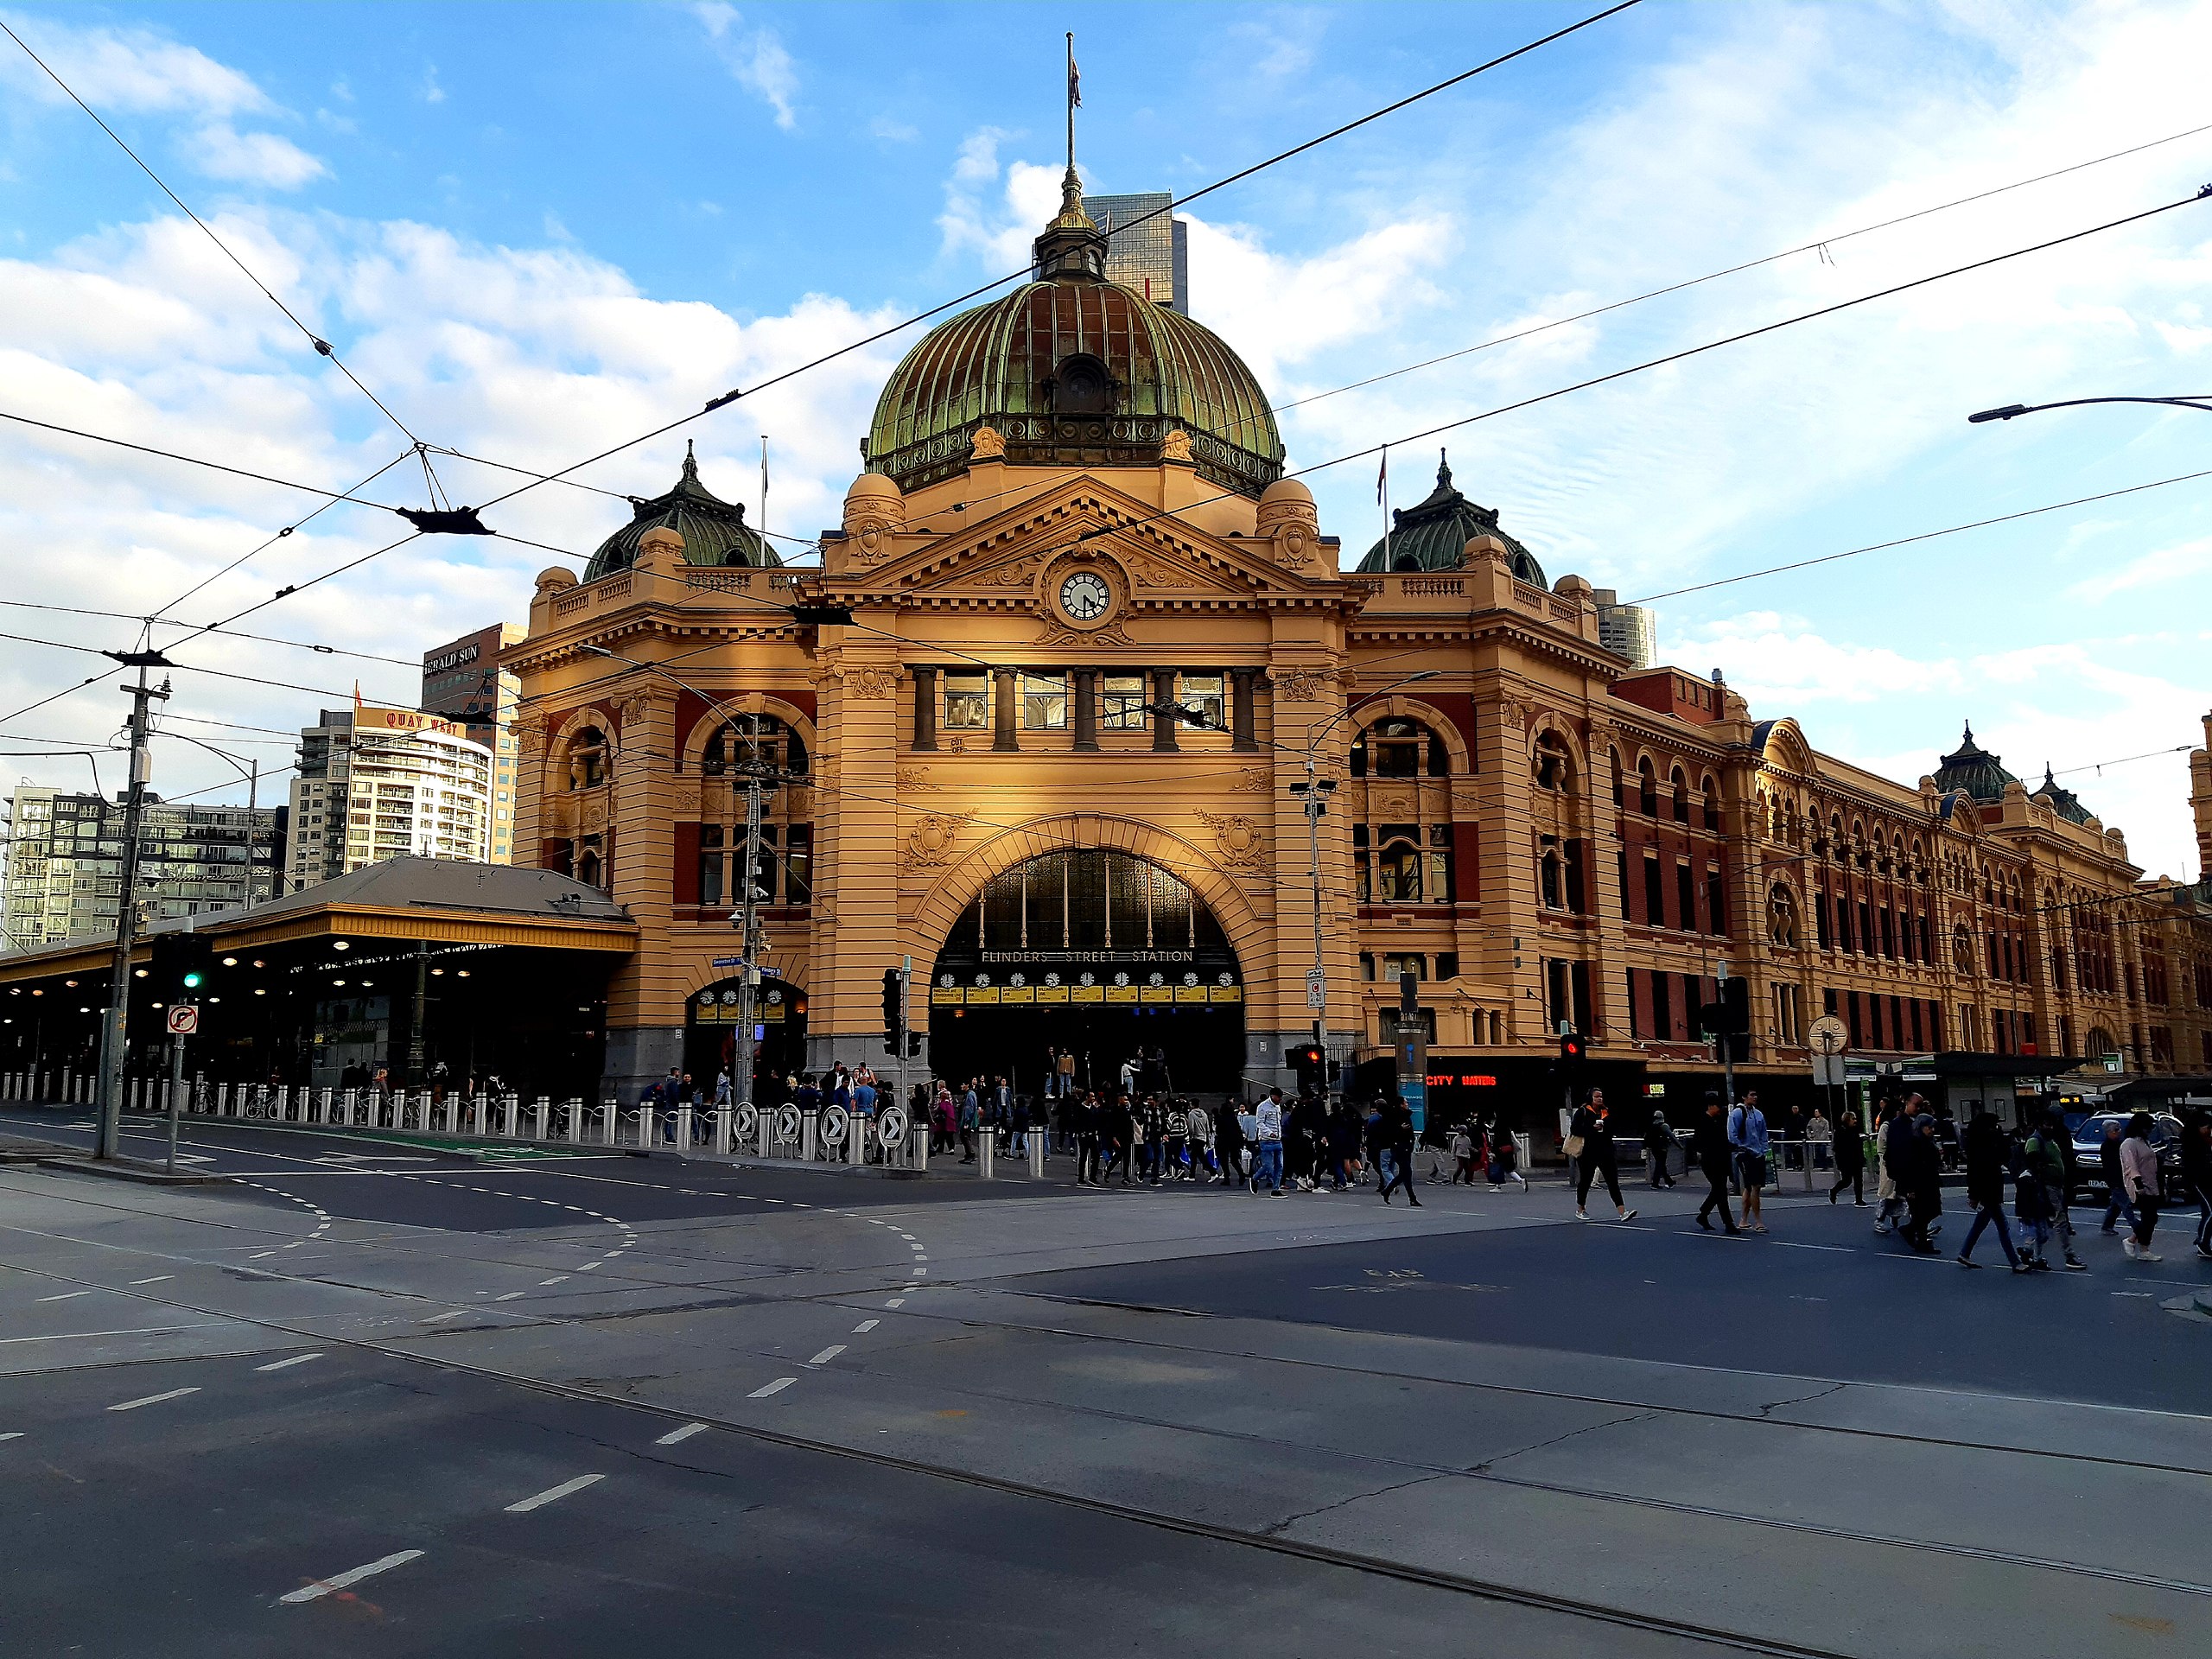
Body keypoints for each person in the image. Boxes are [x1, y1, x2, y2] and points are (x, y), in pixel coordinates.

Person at [1955, 1108, 2024, 1271]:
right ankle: (2015, 1262)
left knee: (1981, 1223)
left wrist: (1973, 1193)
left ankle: (1965, 1252)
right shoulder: (1988, 1143)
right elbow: (2003, 1156)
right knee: (2002, 1225)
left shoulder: (1976, 1144)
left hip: (1986, 1189)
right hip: (1990, 1189)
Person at [2024, 1109, 2084, 1269]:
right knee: (2059, 1221)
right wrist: (2044, 1170)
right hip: (2046, 1186)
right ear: (2039, 1125)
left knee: (2043, 1223)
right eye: (2046, 1125)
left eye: (2051, 1124)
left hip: (2055, 1185)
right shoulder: (2036, 1141)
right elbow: (2032, 1163)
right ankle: (2068, 1255)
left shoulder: (2049, 1140)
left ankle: (2031, 1252)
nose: (2050, 1127)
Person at [1568, 1089, 1636, 1222]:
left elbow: (1613, 1128)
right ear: (1591, 1098)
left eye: (1601, 1096)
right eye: (1597, 1097)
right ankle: (1580, 1209)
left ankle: (1622, 1212)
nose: (1600, 1099)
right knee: (1586, 1181)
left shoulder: (1606, 1112)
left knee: (1612, 1181)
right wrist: (1591, 1128)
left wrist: (1607, 1127)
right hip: (1588, 1151)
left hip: (1606, 1150)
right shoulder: (1583, 1111)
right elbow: (1574, 1129)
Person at [1690, 1093, 1739, 1235]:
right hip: (1711, 1161)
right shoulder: (1702, 1122)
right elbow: (1698, 1143)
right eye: (1718, 1107)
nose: (1720, 1110)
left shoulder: (1718, 1120)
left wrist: (1732, 1147)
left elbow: (1724, 1142)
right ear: (1711, 1106)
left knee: (1719, 1190)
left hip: (1721, 1160)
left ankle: (1703, 1214)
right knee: (1720, 1191)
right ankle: (1728, 1223)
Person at [1895, 1115, 1943, 1255]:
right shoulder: (1914, 1142)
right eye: (1929, 1127)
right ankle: (1917, 1237)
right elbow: (1909, 1166)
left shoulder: (1926, 1141)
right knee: (1923, 1211)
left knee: (1926, 1212)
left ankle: (1919, 1239)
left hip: (1928, 1181)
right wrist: (1909, 1187)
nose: (1932, 1130)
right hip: (1919, 1182)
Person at [2120, 1111, 2164, 1262]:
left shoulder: (2144, 1141)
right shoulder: (2129, 1144)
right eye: (2147, 1127)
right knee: (2149, 1216)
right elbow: (2131, 1166)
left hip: (2151, 1183)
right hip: (2139, 1185)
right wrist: (2138, 1185)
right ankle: (2143, 1248)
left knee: (2151, 1217)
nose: (2149, 1130)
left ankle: (2133, 1241)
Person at [1728, 1090, 1770, 1234]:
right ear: (1744, 1097)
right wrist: (1741, 1148)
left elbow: (1763, 1133)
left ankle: (1744, 1220)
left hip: (1758, 1153)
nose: (1755, 1097)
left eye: (1756, 1095)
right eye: (1752, 1095)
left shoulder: (1758, 1114)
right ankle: (1758, 1221)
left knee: (1749, 1187)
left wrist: (1764, 1149)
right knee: (1755, 1186)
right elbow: (1732, 1134)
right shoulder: (1738, 1113)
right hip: (1746, 1153)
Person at [2096, 1118, 2137, 1237]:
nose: (2118, 1132)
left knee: (2116, 1204)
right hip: (2115, 1179)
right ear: (2108, 1132)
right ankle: (2136, 1226)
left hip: (2123, 1177)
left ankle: (2107, 1226)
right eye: (2115, 1130)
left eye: (2119, 1129)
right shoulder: (2106, 1147)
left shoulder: (2120, 1144)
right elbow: (2111, 1166)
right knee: (2125, 1204)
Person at [1379, 1096, 1421, 1206]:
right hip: (1399, 1148)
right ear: (1401, 1104)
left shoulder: (1405, 1115)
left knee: (1405, 1173)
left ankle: (1388, 1191)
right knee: (1407, 1172)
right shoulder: (1393, 1116)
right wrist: (1399, 1128)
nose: (1407, 1104)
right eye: (1405, 1102)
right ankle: (1411, 1198)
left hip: (1406, 1147)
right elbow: (1388, 1132)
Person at [2181, 1114, 2212, 1261]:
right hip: (2200, 1180)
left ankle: (2202, 1239)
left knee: (2208, 1212)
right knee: (2211, 1212)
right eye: (2207, 1128)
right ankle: (2203, 1243)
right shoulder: (2194, 1143)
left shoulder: (2201, 1141)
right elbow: (2193, 1166)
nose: (2209, 1130)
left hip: (2204, 1180)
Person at [1828, 1105, 1866, 1205]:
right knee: (1847, 1181)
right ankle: (1834, 1191)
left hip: (1856, 1159)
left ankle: (1859, 1199)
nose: (1855, 1121)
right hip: (1846, 1160)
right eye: (1853, 1119)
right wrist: (1840, 1161)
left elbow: (1858, 1146)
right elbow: (1838, 1148)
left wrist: (1862, 1158)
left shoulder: (1855, 1130)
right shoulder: (1840, 1131)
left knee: (1858, 1180)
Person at [1252, 1090, 1286, 1196]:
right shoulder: (1262, 1107)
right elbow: (1260, 1123)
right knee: (1268, 1166)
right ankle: (1255, 1178)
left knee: (1279, 1166)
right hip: (1266, 1140)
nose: (1280, 1100)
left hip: (1278, 1140)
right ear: (1272, 1096)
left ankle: (1275, 1188)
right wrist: (1269, 1133)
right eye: (1278, 1097)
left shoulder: (1278, 1107)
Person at [1486, 1116, 1527, 1192]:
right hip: (1508, 1151)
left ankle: (1497, 1187)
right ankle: (1521, 1180)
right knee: (1509, 1169)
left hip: (1500, 1152)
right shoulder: (1508, 1130)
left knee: (1498, 1169)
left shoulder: (1498, 1131)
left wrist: (1492, 1152)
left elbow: (1496, 1143)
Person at [1215, 1096, 1247, 1187]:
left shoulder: (1221, 1119)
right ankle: (1241, 1174)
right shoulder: (1234, 1119)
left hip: (1223, 1141)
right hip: (1234, 1141)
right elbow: (1238, 1130)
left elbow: (1218, 1131)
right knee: (1234, 1160)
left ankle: (1227, 1177)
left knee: (1224, 1160)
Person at [1643, 1109, 1679, 1189]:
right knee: (1660, 1165)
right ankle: (1655, 1183)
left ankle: (1669, 1181)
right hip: (1662, 1148)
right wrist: (1680, 1146)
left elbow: (1646, 1137)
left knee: (1661, 1165)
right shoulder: (1663, 1126)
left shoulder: (1652, 1126)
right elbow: (1671, 1136)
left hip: (1654, 1148)